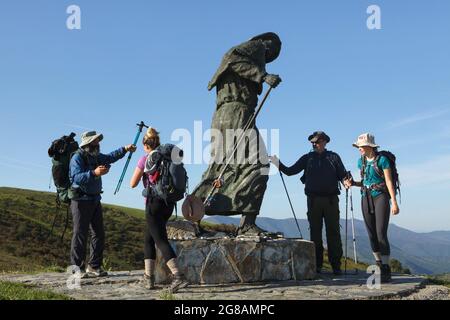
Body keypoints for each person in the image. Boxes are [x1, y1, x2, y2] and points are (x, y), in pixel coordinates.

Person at [191, 32, 282, 236]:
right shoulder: (257, 46)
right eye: (271, 51)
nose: (267, 56)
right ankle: (246, 223)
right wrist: (263, 76)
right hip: (236, 112)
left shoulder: (252, 54)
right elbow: (231, 58)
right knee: (258, 164)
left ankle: (193, 215)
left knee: (223, 165)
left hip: (229, 113)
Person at [270, 131, 351, 275]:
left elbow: (343, 175)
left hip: (331, 200)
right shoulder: (307, 158)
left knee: (333, 232)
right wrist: (278, 164)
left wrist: (347, 181)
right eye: (313, 142)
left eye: (317, 142)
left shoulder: (334, 157)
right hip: (314, 200)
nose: (314, 144)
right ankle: (317, 264)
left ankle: (335, 265)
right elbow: (290, 171)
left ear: (325, 142)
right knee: (315, 234)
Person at [69, 131, 136, 277]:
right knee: (80, 234)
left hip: (94, 199)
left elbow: (110, 157)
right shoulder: (77, 157)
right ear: (87, 144)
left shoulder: (95, 156)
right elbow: (75, 177)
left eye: (98, 141)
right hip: (80, 200)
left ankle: (93, 266)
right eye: (95, 142)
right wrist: (94, 173)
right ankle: (76, 269)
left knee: (98, 234)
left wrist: (124, 149)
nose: (98, 144)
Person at [130, 127, 189, 292]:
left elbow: (132, 183)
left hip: (153, 203)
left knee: (160, 240)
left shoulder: (145, 159)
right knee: (149, 239)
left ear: (145, 144)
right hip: (168, 203)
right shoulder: (168, 158)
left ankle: (178, 277)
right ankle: (149, 278)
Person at [348, 133, 400, 283]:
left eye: (361, 147)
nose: (359, 149)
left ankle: (385, 268)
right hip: (365, 197)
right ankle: (378, 263)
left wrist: (394, 203)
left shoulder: (382, 160)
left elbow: (389, 182)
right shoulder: (361, 162)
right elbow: (364, 181)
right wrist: (353, 183)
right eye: (358, 147)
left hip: (381, 197)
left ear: (369, 147)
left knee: (380, 233)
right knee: (371, 234)